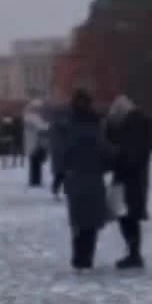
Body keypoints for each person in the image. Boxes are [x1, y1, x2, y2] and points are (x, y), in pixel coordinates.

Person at [104, 95, 152, 270]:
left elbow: (129, 153)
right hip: (133, 177)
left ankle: (134, 253)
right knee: (128, 215)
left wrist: (118, 157)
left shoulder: (132, 126)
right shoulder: (139, 124)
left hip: (128, 176)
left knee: (127, 215)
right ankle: (133, 252)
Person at [59, 89, 108, 269]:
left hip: (84, 175)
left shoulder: (73, 123)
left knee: (84, 220)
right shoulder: (90, 123)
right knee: (84, 220)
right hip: (85, 175)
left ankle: (83, 256)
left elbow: (62, 151)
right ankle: (83, 256)